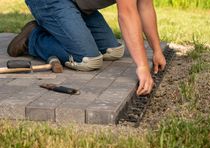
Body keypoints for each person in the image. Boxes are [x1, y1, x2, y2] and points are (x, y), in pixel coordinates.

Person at [7, 0, 166, 96]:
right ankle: (33, 38)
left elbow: (145, 6)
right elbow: (127, 13)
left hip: (75, 4)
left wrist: (157, 50)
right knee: (87, 60)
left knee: (114, 50)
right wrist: (142, 66)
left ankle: (62, 26)